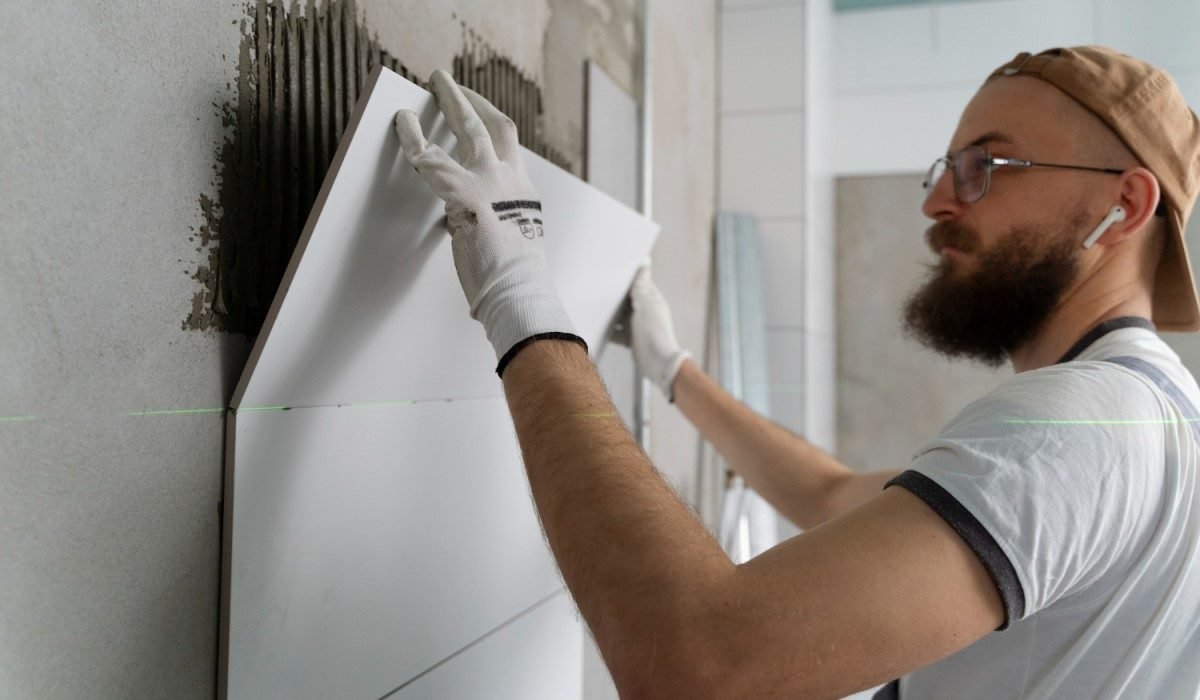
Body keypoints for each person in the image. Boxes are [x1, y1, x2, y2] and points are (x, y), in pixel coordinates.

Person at [395, 45, 1200, 698]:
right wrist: (674, 371)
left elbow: (701, 664)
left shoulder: (1080, 425)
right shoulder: (1156, 418)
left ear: (1123, 207)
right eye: (945, 169)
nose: (937, 204)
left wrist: (521, 300)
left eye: (986, 168)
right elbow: (831, 496)